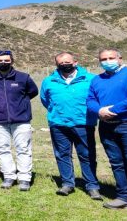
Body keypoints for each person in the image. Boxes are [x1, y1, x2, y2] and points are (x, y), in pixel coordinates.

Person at [87, 48, 127, 218]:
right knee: (116, 162)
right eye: (103, 59)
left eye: (111, 57)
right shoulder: (97, 79)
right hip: (106, 126)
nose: (107, 61)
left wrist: (114, 109)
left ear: (120, 58)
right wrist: (100, 110)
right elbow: (90, 100)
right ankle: (124, 196)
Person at [40, 52, 102, 200]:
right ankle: (67, 183)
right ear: (56, 64)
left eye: (67, 62)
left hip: (83, 123)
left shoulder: (91, 79)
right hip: (58, 124)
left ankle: (92, 186)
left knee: (87, 155)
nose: (64, 65)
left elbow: (97, 99)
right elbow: (45, 100)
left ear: (75, 62)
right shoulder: (49, 81)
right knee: (62, 155)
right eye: (60, 63)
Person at [0, 50, 38, 191]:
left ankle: (24, 178)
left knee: (23, 149)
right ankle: (9, 176)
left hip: (21, 119)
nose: (3, 63)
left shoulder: (23, 77)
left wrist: (19, 105)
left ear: (12, 61)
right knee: (2, 149)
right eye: (0, 61)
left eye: (6, 60)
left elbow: (33, 91)